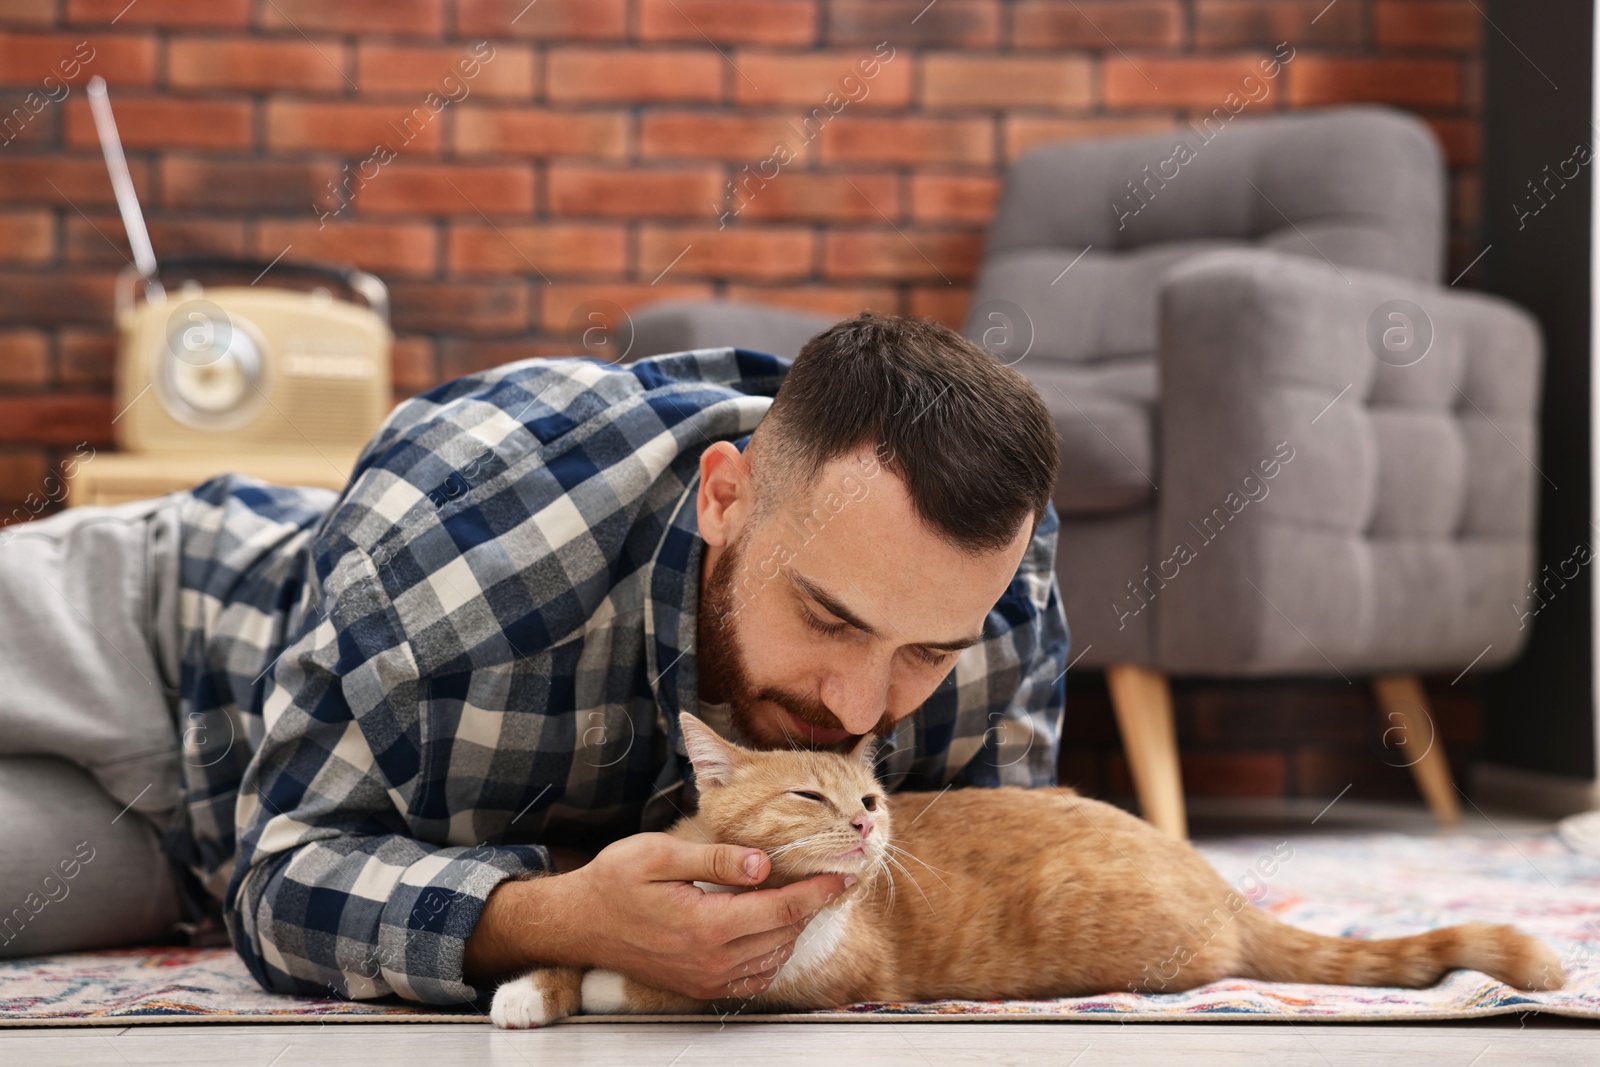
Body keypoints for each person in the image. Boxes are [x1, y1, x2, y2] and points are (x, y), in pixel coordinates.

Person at [0, 312, 1068, 1012]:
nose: (859, 705)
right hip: (149, 628)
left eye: (925, 650)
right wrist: (555, 915)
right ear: (724, 498)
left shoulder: (992, 610)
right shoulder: (461, 544)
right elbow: (286, 874)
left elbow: (981, 903)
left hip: (181, 850)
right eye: (827, 617)